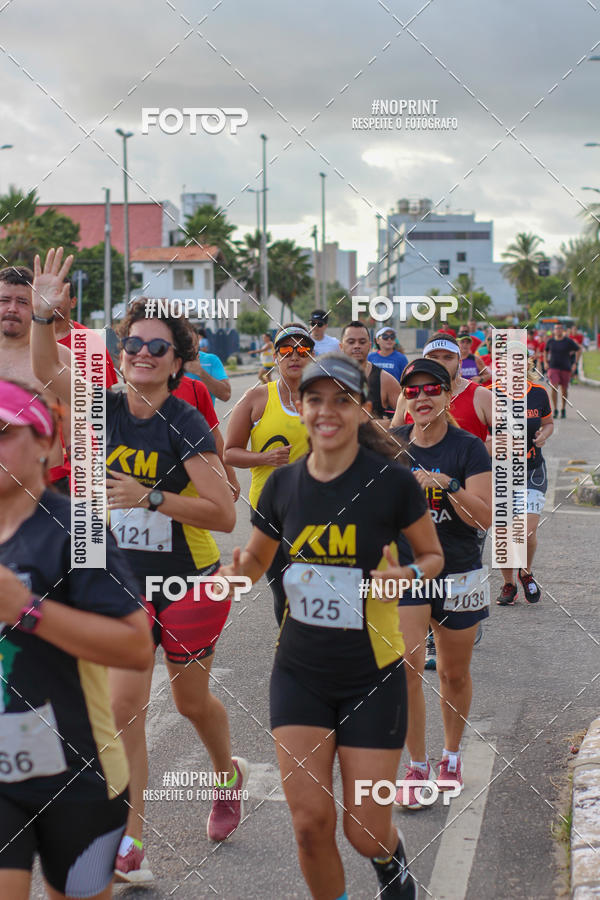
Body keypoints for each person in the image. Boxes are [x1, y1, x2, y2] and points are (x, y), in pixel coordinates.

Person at [30, 248, 244, 883]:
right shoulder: (101, 407)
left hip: (187, 582)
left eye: (157, 347)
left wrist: (150, 496)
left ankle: (225, 771)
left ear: (178, 363)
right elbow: (48, 377)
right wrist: (45, 317)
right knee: (124, 709)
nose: (142, 354)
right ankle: (133, 839)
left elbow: (224, 514)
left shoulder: (185, 424)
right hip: (118, 580)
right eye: (132, 345)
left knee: (189, 702)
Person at [220, 353, 444, 899]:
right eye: (314, 399)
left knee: (365, 830)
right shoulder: (281, 486)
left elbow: (434, 556)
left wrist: (407, 573)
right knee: (309, 824)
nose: (326, 411)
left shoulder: (391, 484)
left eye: (341, 400)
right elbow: (256, 558)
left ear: (361, 408)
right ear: (299, 406)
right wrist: (232, 574)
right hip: (299, 672)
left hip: (373, 675)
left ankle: (391, 864)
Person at [0, 378, 153, 900]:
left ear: (46, 444)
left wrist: (26, 610)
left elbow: (135, 646)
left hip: (79, 773)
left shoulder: (77, 529)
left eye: (4, 431)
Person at [391, 359, 492, 807]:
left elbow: (484, 517)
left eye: (432, 389)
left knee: (453, 673)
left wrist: (447, 483)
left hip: (459, 571)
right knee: (407, 667)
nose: (422, 397)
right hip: (409, 571)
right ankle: (417, 765)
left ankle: (451, 755)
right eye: (412, 391)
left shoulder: (469, 448)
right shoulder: (390, 447)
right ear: (404, 400)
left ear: (449, 395)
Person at [224, 324, 313, 624]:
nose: (295, 356)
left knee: (320, 588)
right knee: (284, 588)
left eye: (303, 350)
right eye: (286, 350)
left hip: (319, 509)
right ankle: (290, 654)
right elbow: (230, 452)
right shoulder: (256, 398)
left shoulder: (326, 397)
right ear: (275, 357)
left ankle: (321, 658)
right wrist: (264, 457)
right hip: (270, 508)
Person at [0, 265, 74, 494]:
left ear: (35, 305)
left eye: (22, 302)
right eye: (4, 300)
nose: (12, 308)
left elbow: (79, 433)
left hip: (47, 488)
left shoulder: (60, 358)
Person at [496, 358, 554, 605]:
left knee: (526, 532)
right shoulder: (490, 394)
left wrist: (543, 435)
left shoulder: (539, 393)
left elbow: (549, 423)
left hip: (532, 471)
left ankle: (526, 572)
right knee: (504, 533)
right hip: (501, 473)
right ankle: (509, 583)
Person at [54, 277, 119, 388]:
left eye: (60, 294)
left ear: (73, 302)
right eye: (48, 295)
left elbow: (103, 398)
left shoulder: (91, 341)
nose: (53, 300)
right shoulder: (26, 338)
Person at [341, 321, 401, 428]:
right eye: (351, 342)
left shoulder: (385, 380)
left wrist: (387, 424)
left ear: (369, 345)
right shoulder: (329, 378)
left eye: (362, 342)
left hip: (372, 443)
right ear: (341, 346)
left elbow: (407, 414)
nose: (357, 346)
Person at [544, 323, 582, 418]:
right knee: (554, 386)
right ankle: (555, 409)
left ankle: (563, 408)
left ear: (563, 330)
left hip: (565, 368)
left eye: (560, 328)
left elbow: (579, 349)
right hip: (553, 367)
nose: (558, 330)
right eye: (556, 328)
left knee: (564, 390)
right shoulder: (551, 341)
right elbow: (545, 351)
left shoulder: (568, 341)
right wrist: (545, 362)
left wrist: (575, 363)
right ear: (554, 330)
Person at [184, 326, 232, 403]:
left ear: (198, 342)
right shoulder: (169, 362)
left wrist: (200, 372)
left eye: (193, 344)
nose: (190, 349)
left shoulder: (211, 360)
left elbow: (225, 395)